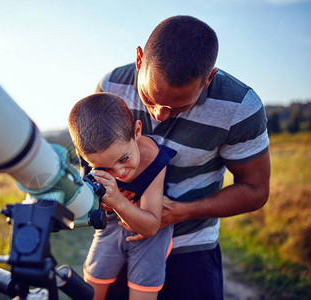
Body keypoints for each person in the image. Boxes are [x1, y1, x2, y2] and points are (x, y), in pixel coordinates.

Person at [94, 15, 271, 300]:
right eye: (149, 98)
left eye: (178, 107)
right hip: (120, 241)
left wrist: (182, 212)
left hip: (192, 248)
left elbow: (255, 191)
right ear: (139, 59)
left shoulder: (239, 107)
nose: (159, 115)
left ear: (208, 79)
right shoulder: (112, 86)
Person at [68, 92, 177, 300]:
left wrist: (117, 200)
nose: (118, 172)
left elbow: (151, 226)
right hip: (109, 226)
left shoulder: (153, 159)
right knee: (92, 287)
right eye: (104, 167)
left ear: (137, 131)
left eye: (124, 158)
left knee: (143, 291)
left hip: (149, 236)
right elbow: (90, 207)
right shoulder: (90, 157)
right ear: (84, 157)